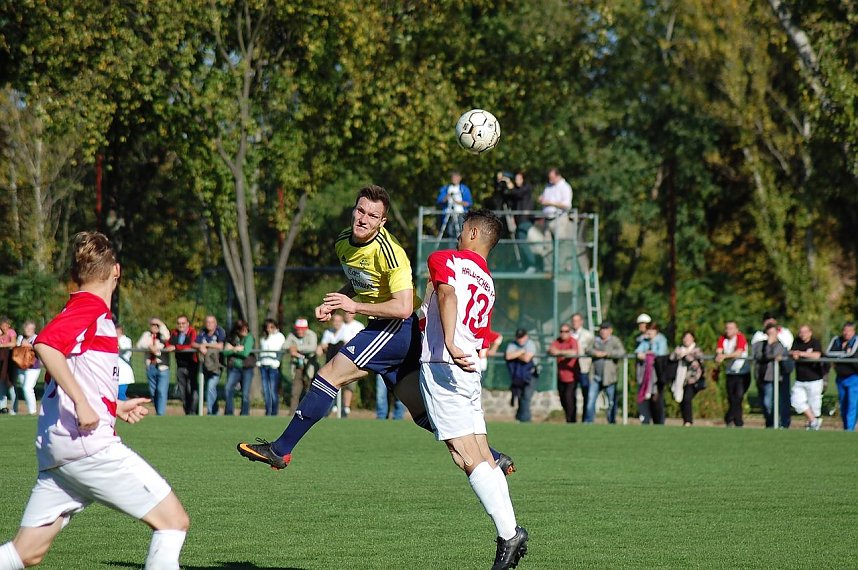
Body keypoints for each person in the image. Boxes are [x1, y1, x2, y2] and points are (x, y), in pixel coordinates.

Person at [236, 185, 514, 475]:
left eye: (373, 215)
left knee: (329, 375)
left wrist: (352, 307)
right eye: (360, 211)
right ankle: (491, 457)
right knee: (423, 411)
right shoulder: (344, 241)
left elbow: (404, 307)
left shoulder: (390, 253)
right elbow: (361, 281)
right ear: (353, 210)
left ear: (383, 222)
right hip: (392, 330)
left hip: (397, 326)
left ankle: (280, 449)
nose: (364, 219)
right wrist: (337, 300)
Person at [0, 231, 188, 570]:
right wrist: (85, 406)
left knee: (25, 553)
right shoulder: (89, 308)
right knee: (173, 522)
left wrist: (112, 406)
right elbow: (46, 345)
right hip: (88, 448)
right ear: (116, 270)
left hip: (61, 451)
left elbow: (71, 368)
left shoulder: (82, 309)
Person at [418, 209, 528, 569]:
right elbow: (479, 335)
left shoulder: (444, 259)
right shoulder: (488, 282)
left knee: (465, 456)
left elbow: (447, 295)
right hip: (468, 369)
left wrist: (447, 341)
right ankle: (511, 532)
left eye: (463, 228)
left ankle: (509, 534)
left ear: (474, 231)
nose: (459, 233)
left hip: (444, 365)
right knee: (482, 452)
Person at [751, 312, 793, 428]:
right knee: (765, 403)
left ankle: (779, 423)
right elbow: (757, 355)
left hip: (776, 375)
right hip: (761, 375)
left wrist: (769, 349)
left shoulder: (781, 343)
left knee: (773, 401)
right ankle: (770, 423)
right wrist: (768, 347)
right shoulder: (760, 342)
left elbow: (777, 354)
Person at [715, 321, 751, 427]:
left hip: (742, 372)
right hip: (730, 373)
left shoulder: (740, 337)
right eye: (727, 328)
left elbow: (739, 352)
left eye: (731, 328)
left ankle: (736, 420)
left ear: (736, 329)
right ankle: (732, 420)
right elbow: (719, 351)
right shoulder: (723, 338)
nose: (728, 331)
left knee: (738, 397)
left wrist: (724, 357)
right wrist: (719, 355)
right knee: (731, 397)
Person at [587, 322, 624, 424]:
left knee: (611, 402)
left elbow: (621, 352)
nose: (603, 331)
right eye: (602, 329)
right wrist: (595, 353)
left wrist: (608, 354)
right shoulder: (595, 340)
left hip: (610, 378)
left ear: (610, 330)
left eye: (606, 329)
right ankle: (588, 422)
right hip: (595, 376)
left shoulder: (615, 341)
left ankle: (611, 421)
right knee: (590, 400)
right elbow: (587, 349)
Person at [789, 325, 825, 430]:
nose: (802, 334)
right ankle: (814, 421)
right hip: (800, 379)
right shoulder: (797, 342)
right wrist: (793, 354)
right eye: (801, 332)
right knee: (796, 401)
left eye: (805, 332)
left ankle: (813, 424)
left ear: (810, 332)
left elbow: (817, 355)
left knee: (815, 404)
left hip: (814, 379)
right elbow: (791, 351)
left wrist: (801, 354)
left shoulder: (815, 342)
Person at [668, 331, 705, 426]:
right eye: (685, 338)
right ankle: (685, 420)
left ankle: (688, 421)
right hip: (680, 379)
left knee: (687, 398)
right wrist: (678, 354)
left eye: (689, 337)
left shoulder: (697, 350)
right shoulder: (679, 349)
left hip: (692, 379)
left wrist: (684, 355)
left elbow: (696, 361)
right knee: (682, 400)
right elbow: (671, 357)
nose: (686, 340)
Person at [826, 322, 858, 431]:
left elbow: (853, 355)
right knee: (843, 404)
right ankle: (846, 428)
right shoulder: (837, 341)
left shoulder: (856, 342)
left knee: (852, 404)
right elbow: (829, 353)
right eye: (845, 330)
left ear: (853, 332)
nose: (846, 333)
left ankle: (850, 429)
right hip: (840, 377)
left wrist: (843, 354)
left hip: (854, 377)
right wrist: (844, 352)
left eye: (849, 331)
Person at [635, 322, 669, 424]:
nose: (649, 333)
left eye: (651, 331)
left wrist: (649, 354)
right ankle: (646, 420)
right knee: (646, 400)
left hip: (658, 375)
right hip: (646, 375)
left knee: (657, 399)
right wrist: (641, 354)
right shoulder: (645, 341)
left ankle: (659, 421)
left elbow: (661, 354)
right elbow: (638, 351)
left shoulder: (661, 340)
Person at [192, 315, 225, 416]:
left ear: (215, 323)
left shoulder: (220, 331)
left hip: (216, 366)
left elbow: (220, 345)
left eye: (211, 322)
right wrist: (200, 346)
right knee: (209, 388)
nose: (209, 324)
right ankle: (215, 411)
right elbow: (193, 344)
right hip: (204, 366)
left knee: (211, 387)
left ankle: (210, 412)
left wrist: (206, 345)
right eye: (207, 322)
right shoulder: (203, 332)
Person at [136, 318, 170, 416]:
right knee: (153, 392)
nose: (154, 327)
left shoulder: (163, 336)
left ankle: (161, 413)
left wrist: (161, 323)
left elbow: (167, 337)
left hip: (162, 367)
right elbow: (139, 345)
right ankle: (157, 411)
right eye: (153, 325)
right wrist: (149, 346)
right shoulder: (146, 335)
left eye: (157, 325)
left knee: (161, 391)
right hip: (151, 366)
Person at [165, 315, 197, 415]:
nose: (181, 325)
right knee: (183, 391)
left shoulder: (192, 332)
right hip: (180, 365)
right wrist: (173, 346)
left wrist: (176, 347)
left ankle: (194, 410)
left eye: (183, 323)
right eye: (179, 323)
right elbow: (168, 343)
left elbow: (190, 345)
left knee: (191, 389)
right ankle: (187, 411)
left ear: (187, 324)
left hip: (192, 365)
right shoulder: (175, 333)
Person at [285, 318, 318, 413]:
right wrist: (291, 349)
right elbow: (284, 345)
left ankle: (308, 412)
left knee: (309, 390)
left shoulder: (311, 334)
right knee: (295, 391)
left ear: (306, 328)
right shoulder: (292, 335)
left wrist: (296, 348)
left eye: (302, 329)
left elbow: (312, 347)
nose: (299, 331)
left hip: (310, 366)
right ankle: (292, 412)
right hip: (297, 367)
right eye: (298, 329)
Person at [548, 324, 579, 423]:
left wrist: (559, 352)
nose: (563, 333)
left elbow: (574, 352)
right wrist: (556, 352)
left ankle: (571, 421)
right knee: (562, 399)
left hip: (572, 376)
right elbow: (551, 350)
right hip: (561, 376)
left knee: (569, 398)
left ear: (569, 332)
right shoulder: (557, 341)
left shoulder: (573, 341)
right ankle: (569, 418)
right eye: (561, 331)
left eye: (566, 331)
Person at [223, 320, 255, 416]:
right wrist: (235, 349)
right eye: (242, 329)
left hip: (247, 368)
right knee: (228, 388)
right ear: (237, 330)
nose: (245, 331)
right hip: (234, 368)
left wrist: (232, 350)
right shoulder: (232, 337)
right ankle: (229, 412)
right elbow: (225, 352)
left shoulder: (249, 337)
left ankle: (244, 413)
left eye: (246, 329)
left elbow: (245, 353)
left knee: (245, 393)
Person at [505, 329, 537, 423]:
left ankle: (525, 419)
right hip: (518, 376)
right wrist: (522, 351)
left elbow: (527, 358)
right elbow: (508, 356)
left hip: (531, 375)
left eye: (522, 337)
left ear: (526, 336)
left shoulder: (530, 344)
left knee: (526, 397)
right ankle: (520, 418)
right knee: (518, 397)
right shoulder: (512, 344)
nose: (520, 339)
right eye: (518, 337)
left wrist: (516, 354)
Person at [258, 318, 286, 416]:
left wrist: (277, 362)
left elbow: (280, 351)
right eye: (267, 327)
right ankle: (267, 411)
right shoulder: (264, 337)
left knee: (273, 390)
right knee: (266, 391)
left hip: (273, 366)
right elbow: (262, 350)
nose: (269, 329)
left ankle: (274, 412)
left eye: (271, 327)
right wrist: (260, 361)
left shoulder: (280, 336)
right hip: (264, 365)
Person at [570, 313, 594, 422]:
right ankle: (571, 419)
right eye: (573, 321)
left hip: (584, 368)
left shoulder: (588, 335)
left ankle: (586, 420)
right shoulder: (569, 334)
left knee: (586, 394)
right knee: (570, 395)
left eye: (577, 320)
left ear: (581, 322)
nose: (574, 323)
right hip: (571, 369)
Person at [14, 321, 40, 415]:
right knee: (23, 387)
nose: (29, 330)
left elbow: (39, 349)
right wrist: (21, 345)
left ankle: (32, 411)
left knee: (27, 388)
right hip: (21, 366)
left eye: (31, 328)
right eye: (27, 328)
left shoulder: (36, 338)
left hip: (33, 367)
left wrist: (29, 346)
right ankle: (29, 409)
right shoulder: (21, 338)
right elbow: (15, 348)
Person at [436, 171, 472, 238]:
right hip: (448, 214)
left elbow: (468, 203)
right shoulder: (446, 189)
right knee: (449, 232)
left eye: (456, 177)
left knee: (460, 232)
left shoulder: (464, 189)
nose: (454, 179)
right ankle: (450, 247)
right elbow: (439, 201)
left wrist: (457, 202)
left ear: (460, 178)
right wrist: (447, 197)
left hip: (460, 214)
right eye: (453, 177)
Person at [0, 317, 17, 413]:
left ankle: (14, 408)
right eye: (3, 325)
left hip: (9, 360)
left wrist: (2, 345)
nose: (5, 327)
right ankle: (3, 407)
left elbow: (13, 343)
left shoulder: (11, 332)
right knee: (1, 383)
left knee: (10, 384)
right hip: (1, 361)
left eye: (6, 325)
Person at [115, 324, 135, 402]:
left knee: (121, 393)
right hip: (114, 369)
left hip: (123, 370)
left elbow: (123, 349)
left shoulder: (126, 340)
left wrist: (115, 340)